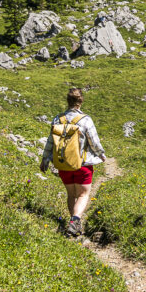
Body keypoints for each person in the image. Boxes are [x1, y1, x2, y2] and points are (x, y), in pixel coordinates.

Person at [40, 87, 107, 236]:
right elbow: (94, 142)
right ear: (80, 101)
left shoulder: (58, 119)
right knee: (83, 195)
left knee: (71, 194)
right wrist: (101, 155)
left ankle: (74, 225)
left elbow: (50, 142)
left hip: (63, 165)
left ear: (68, 101)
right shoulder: (85, 120)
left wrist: (45, 159)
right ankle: (75, 220)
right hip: (82, 165)